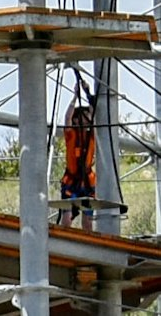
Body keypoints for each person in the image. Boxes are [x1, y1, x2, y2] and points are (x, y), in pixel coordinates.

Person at [57, 95, 96, 230]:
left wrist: (88, 94)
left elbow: (95, 118)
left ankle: (88, 242)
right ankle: (65, 238)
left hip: (87, 182)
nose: (88, 119)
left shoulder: (91, 136)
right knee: (67, 217)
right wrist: (74, 97)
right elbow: (67, 118)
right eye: (85, 116)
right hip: (72, 182)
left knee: (88, 219)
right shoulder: (71, 134)